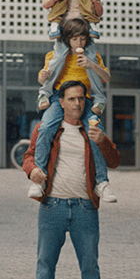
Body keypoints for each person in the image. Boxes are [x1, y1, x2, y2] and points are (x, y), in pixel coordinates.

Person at [23, 80, 121, 279]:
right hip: (52, 207)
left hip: (85, 208)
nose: (77, 103)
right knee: (46, 263)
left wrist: (103, 141)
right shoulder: (48, 128)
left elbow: (114, 160)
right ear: (61, 102)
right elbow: (29, 156)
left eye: (81, 98)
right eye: (71, 99)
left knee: (89, 265)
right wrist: (32, 171)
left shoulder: (93, 129)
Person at [30, 18, 117, 203]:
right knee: (45, 128)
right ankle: (39, 179)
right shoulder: (53, 55)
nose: (80, 43)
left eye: (83, 39)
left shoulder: (92, 55)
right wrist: (42, 76)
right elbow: (42, 80)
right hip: (59, 97)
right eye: (75, 39)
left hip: (84, 98)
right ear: (67, 39)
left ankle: (102, 182)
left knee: (95, 132)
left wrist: (91, 64)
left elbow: (107, 78)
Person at [38, 0, 105, 115]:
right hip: (65, 32)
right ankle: (44, 93)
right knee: (57, 59)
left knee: (91, 60)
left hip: (83, 32)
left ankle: (99, 99)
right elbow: (46, 4)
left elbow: (99, 12)